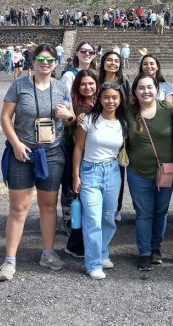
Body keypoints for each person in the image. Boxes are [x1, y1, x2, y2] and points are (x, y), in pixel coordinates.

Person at [0, 44, 76, 282]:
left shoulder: (61, 86)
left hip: (52, 152)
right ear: (33, 61)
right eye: (41, 58)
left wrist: (69, 116)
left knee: (48, 206)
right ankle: (9, 260)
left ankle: (48, 253)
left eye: (50, 59)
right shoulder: (19, 85)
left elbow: (70, 119)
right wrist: (16, 144)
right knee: (19, 208)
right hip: (23, 153)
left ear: (55, 63)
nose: (45, 63)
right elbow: (5, 117)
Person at [72, 80, 127, 279]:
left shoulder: (123, 123)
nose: (110, 101)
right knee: (93, 219)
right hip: (90, 171)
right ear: (100, 99)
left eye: (114, 97)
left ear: (120, 100)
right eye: (106, 97)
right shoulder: (88, 119)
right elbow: (78, 148)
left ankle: (103, 252)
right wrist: (75, 175)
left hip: (112, 171)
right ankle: (93, 263)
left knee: (108, 217)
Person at [125, 73, 173, 271]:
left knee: (161, 211)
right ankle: (144, 252)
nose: (146, 91)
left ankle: (156, 248)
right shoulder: (128, 111)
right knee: (144, 213)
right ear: (135, 92)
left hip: (166, 171)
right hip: (138, 171)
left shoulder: (168, 109)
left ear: (157, 89)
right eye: (141, 88)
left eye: (150, 87)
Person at [63, 69, 99, 257]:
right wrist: (73, 119)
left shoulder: (99, 102)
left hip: (96, 156)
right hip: (78, 156)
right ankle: (76, 242)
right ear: (77, 86)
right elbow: (67, 122)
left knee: (90, 202)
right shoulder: (74, 104)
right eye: (83, 84)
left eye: (91, 83)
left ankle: (86, 240)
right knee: (80, 199)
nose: (87, 87)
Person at [99, 50, 131, 222]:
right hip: (97, 126)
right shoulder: (96, 82)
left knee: (118, 168)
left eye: (116, 61)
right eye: (109, 60)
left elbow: (130, 105)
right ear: (103, 62)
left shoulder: (124, 82)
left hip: (118, 127)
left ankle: (116, 207)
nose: (113, 63)